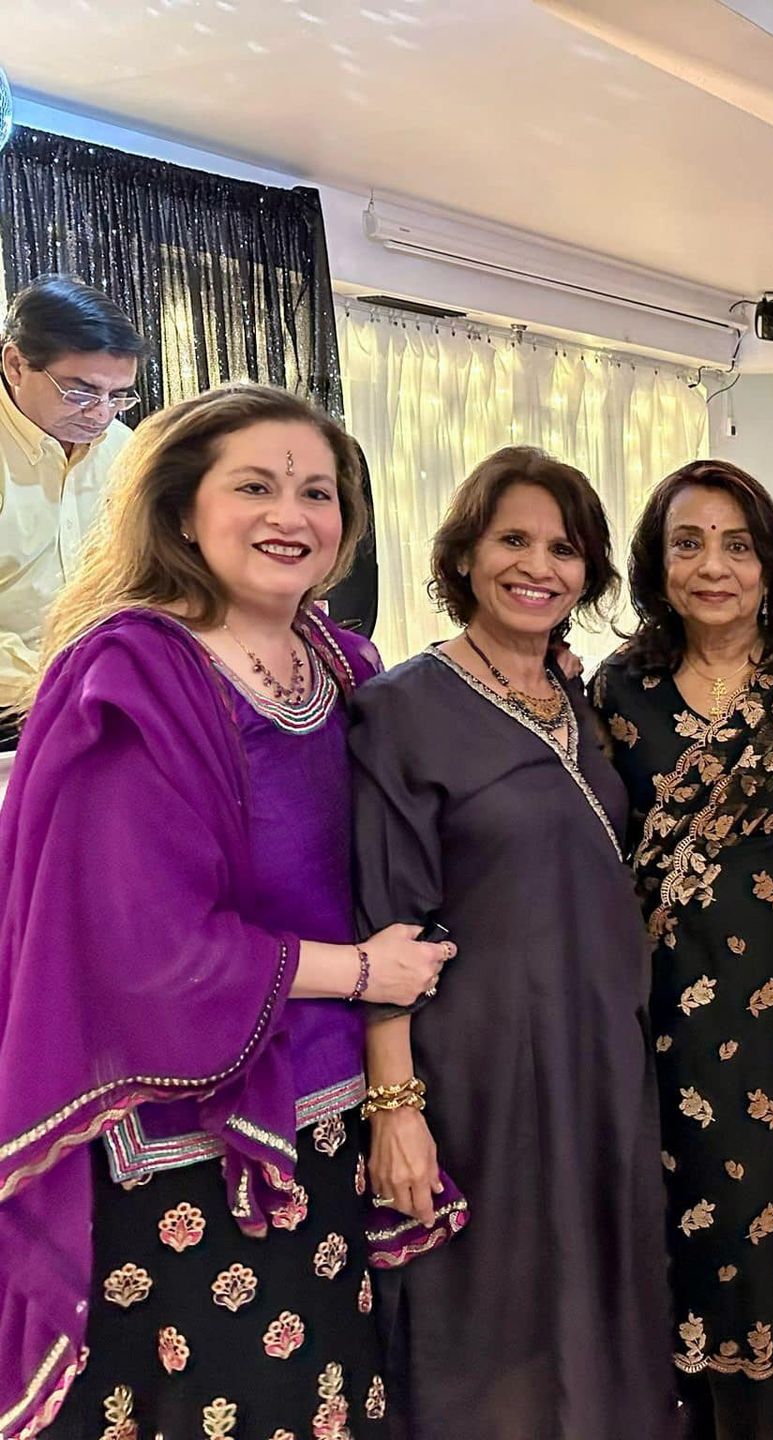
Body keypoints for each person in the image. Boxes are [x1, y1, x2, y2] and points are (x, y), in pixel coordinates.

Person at [0, 383, 449, 1440]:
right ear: (179, 508)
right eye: (254, 486)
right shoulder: (129, 673)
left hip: (328, 1111)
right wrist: (364, 972)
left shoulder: (341, 664)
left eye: (318, 492)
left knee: (325, 1394)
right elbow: (142, 949)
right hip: (185, 1129)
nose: (292, 515)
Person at [349, 447, 678, 1439]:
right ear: (465, 554)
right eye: (513, 540)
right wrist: (396, 1110)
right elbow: (384, 920)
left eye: (564, 548)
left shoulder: (580, 703)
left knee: (596, 1304)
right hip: (480, 1071)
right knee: (489, 1320)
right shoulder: (403, 710)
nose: (538, 567)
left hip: (596, 1057)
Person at [592, 458, 773, 1440]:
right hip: (656, 995)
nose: (713, 565)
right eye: (688, 542)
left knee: (762, 1216)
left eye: (737, 544)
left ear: (770, 562)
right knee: (667, 1213)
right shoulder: (620, 686)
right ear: (656, 559)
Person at [0, 275, 147, 779]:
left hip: (93, 699)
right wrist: (47, 682)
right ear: (16, 363)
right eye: (81, 392)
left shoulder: (124, 452)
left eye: (119, 396)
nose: (101, 415)